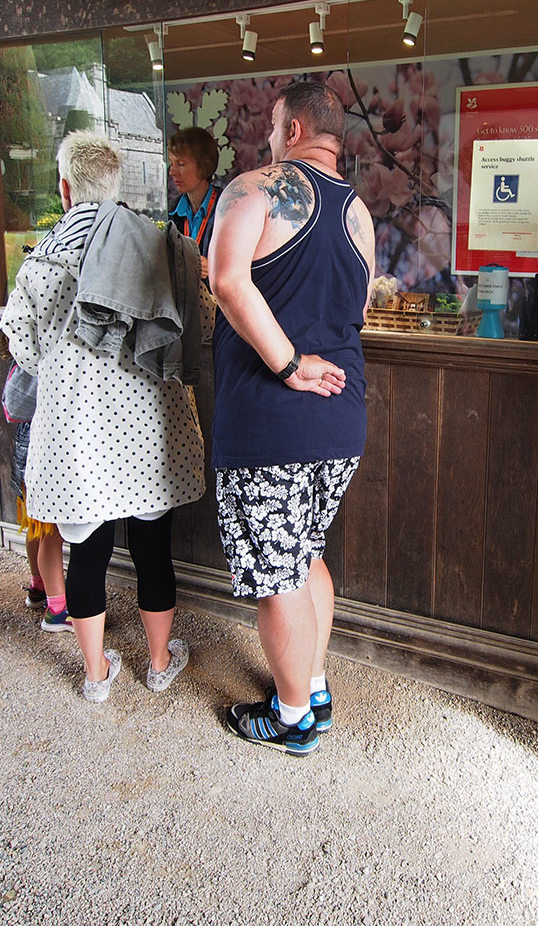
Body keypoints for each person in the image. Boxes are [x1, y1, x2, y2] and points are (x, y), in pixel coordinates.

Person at [1, 132, 208, 702]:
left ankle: (96, 675)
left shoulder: (41, 263)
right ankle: (159, 663)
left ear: (65, 188)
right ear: (116, 187)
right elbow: (202, 323)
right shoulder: (162, 250)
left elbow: (24, 347)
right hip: (149, 433)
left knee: (86, 555)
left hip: (77, 436)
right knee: (152, 548)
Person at [207, 80, 375, 755]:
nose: (270, 138)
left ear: (295, 130)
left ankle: (293, 717)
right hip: (342, 418)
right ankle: (314, 686)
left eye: (275, 127)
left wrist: (288, 364)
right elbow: (359, 312)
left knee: (278, 576)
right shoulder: (360, 214)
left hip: (270, 419)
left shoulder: (255, 188)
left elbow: (226, 280)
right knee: (305, 557)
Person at [1, 360, 71, 632]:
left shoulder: (23, 356)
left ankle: (38, 586)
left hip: (25, 444)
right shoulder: (46, 357)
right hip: (43, 446)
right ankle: (57, 610)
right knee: (51, 534)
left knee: (37, 527)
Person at [168, 126, 222, 278]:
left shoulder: (228, 210)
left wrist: (215, 268)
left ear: (204, 165)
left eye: (181, 164)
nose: (172, 172)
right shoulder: (171, 212)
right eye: (171, 163)